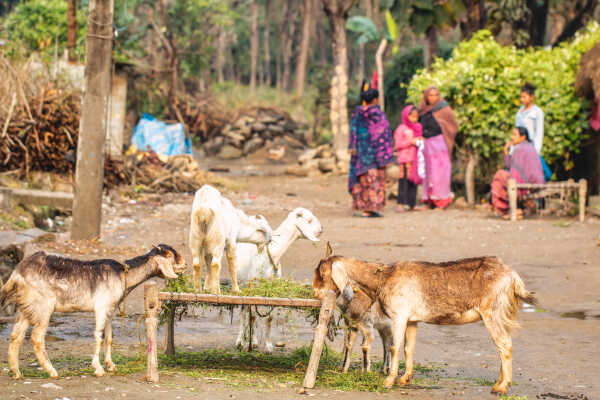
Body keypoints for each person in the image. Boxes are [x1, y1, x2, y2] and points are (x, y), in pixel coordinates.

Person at [348, 80, 394, 217]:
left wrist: (353, 147)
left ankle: (363, 207)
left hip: (361, 155)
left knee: (363, 180)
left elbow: (353, 132)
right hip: (377, 156)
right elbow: (384, 134)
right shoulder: (379, 115)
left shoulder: (357, 114)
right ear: (375, 100)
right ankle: (372, 208)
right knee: (376, 180)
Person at [418, 86, 458, 209]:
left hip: (440, 145)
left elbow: (453, 125)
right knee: (428, 172)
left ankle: (442, 201)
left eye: (436, 95)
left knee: (440, 172)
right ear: (426, 97)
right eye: (430, 95)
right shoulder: (422, 110)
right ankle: (430, 200)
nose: (433, 98)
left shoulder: (444, 109)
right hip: (427, 146)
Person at [491, 127, 545, 217]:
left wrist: (506, 151)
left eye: (515, 135)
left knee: (499, 176)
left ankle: (508, 209)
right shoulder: (530, 147)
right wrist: (506, 151)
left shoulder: (520, 149)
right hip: (537, 181)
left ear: (523, 137)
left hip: (528, 182)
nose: (512, 137)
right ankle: (515, 209)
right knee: (502, 176)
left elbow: (514, 171)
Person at [394, 104, 423, 212]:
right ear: (406, 116)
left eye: (416, 117)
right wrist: (410, 142)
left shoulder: (418, 128)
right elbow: (398, 144)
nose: (414, 119)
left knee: (413, 182)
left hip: (415, 159)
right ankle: (400, 203)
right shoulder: (401, 129)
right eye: (412, 117)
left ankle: (412, 203)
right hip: (405, 159)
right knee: (403, 181)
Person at [516, 82, 544, 154]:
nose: (521, 99)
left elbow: (539, 134)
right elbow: (516, 131)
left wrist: (536, 152)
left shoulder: (537, 112)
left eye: (524, 97)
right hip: (519, 148)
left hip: (531, 149)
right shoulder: (520, 111)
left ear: (531, 97)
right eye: (521, 97)